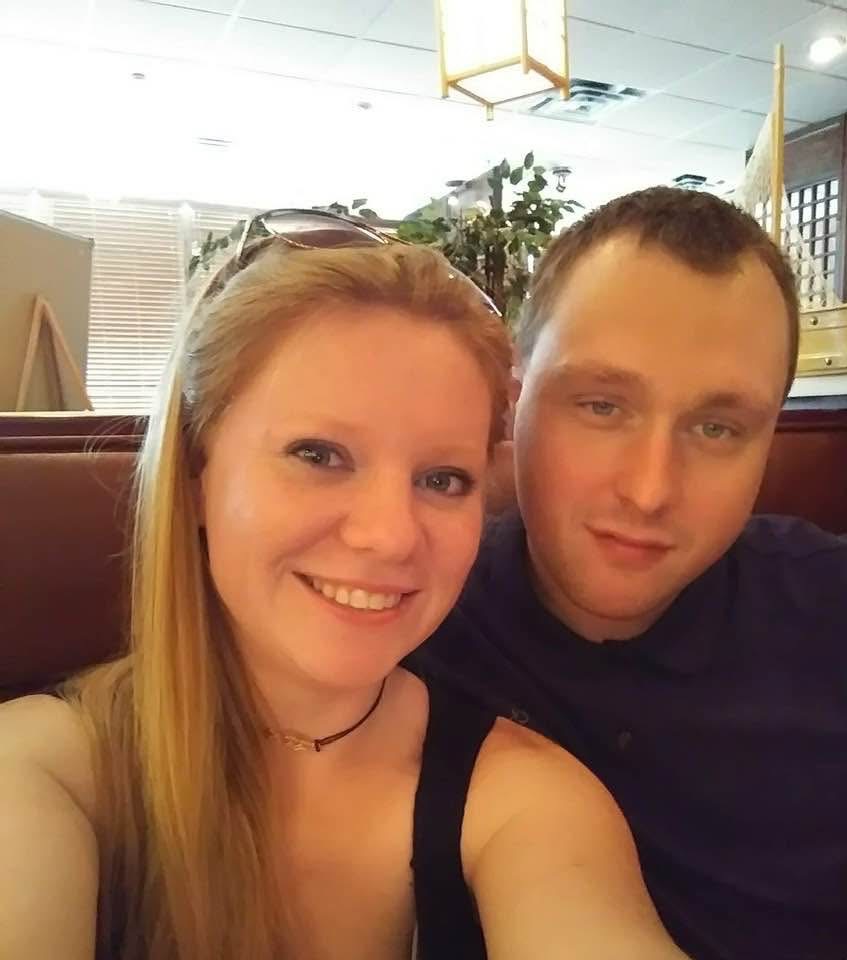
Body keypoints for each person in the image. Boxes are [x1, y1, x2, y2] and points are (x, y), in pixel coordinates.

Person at [0, 210, 688, 960]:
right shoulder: (41, 770)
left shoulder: (527, 805)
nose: (390, 535)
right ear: (196, 472)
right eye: (319, 455)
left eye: (442, 479)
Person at [410, 186, 847, 960]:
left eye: (716, 427)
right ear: (513, 404)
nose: (650, 490)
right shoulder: (404, 613)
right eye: (601, 406)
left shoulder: (836, 613)